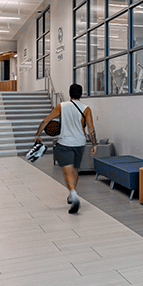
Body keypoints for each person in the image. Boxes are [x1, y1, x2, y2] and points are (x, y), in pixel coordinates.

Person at [35, 84, 97, 213]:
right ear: (81, 94)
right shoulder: (86, 109)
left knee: (67, 172)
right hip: (80, 143)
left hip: (65, 144)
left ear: (69, 94)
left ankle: (73, 193)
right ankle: (72, 193)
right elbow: (90, 128)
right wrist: (94, 144)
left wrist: (38, 134)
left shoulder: (61, 106)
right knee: (75, 170)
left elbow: (46, 120)